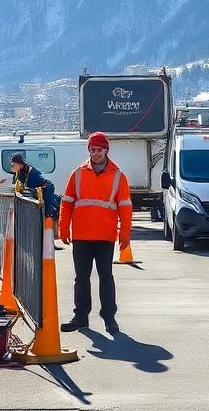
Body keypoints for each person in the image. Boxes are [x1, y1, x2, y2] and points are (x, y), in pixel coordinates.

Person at [58, 131, 132, 334]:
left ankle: (109, 318)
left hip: (105, 235)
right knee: (81, 278)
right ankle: (81, 317)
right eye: (93, 150)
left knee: (106, 277)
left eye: (99, 150)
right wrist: (63, 227)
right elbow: (67, 202)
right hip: (81, 234)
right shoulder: (78, 173)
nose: (96, 153)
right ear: (89, 150)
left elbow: (125, 206)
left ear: (106, 150)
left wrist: (124, 233)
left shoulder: (118, 176)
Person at [11, 151, 59, 219]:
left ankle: (48, 215)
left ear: (19, 163)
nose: (13, 167)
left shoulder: (33, 172)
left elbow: (43, 180)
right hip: (36, 191)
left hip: (47, 188)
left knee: (47, 211)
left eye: (13, 165)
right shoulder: (21, 172)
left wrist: (42, 183)